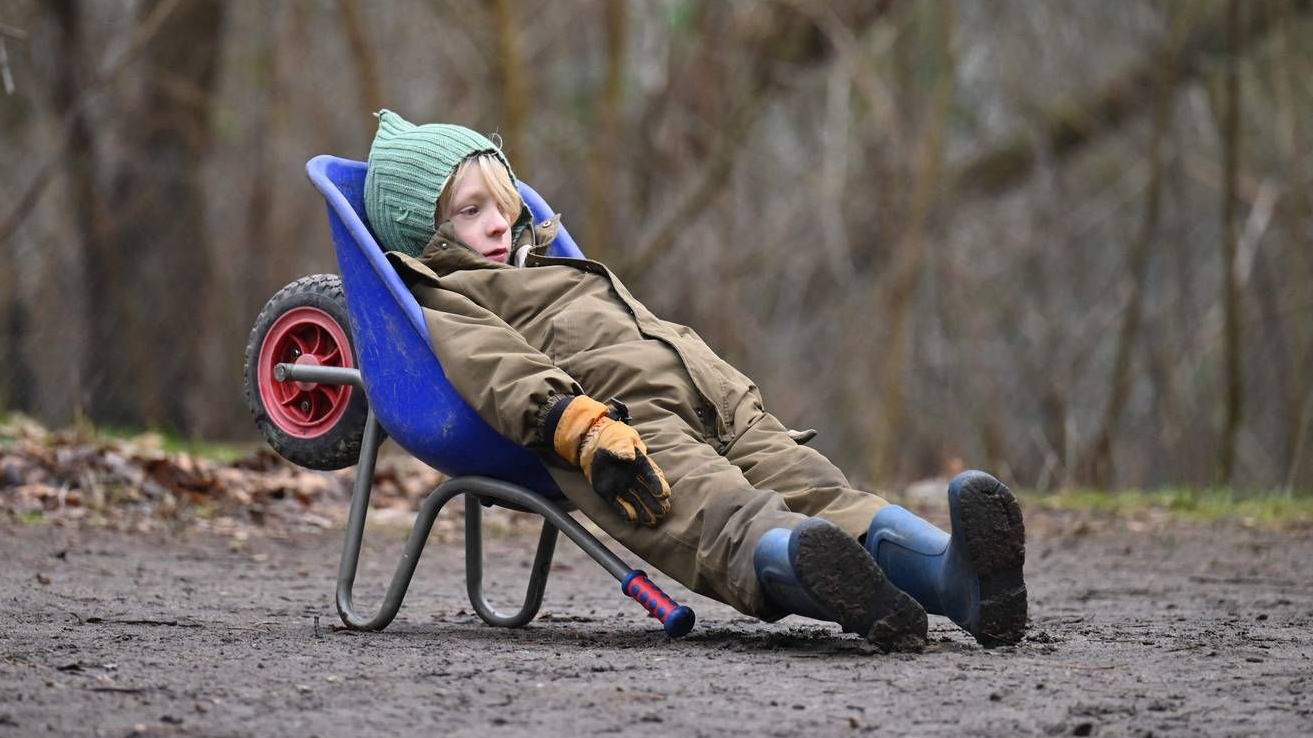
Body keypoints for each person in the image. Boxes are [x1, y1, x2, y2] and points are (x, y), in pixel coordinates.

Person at [364, 108, 1027, 651]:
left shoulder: (542, 265)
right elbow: (498, 368)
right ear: (424, 233)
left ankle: (962, 580)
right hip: (626, 430)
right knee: (721, 515)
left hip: (722, 410)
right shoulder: (447, 295)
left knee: (824, 491)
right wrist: (580, 427)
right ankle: (827, 576)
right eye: (469, 212)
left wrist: (730, 392)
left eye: (501, 203)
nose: (496, 222)